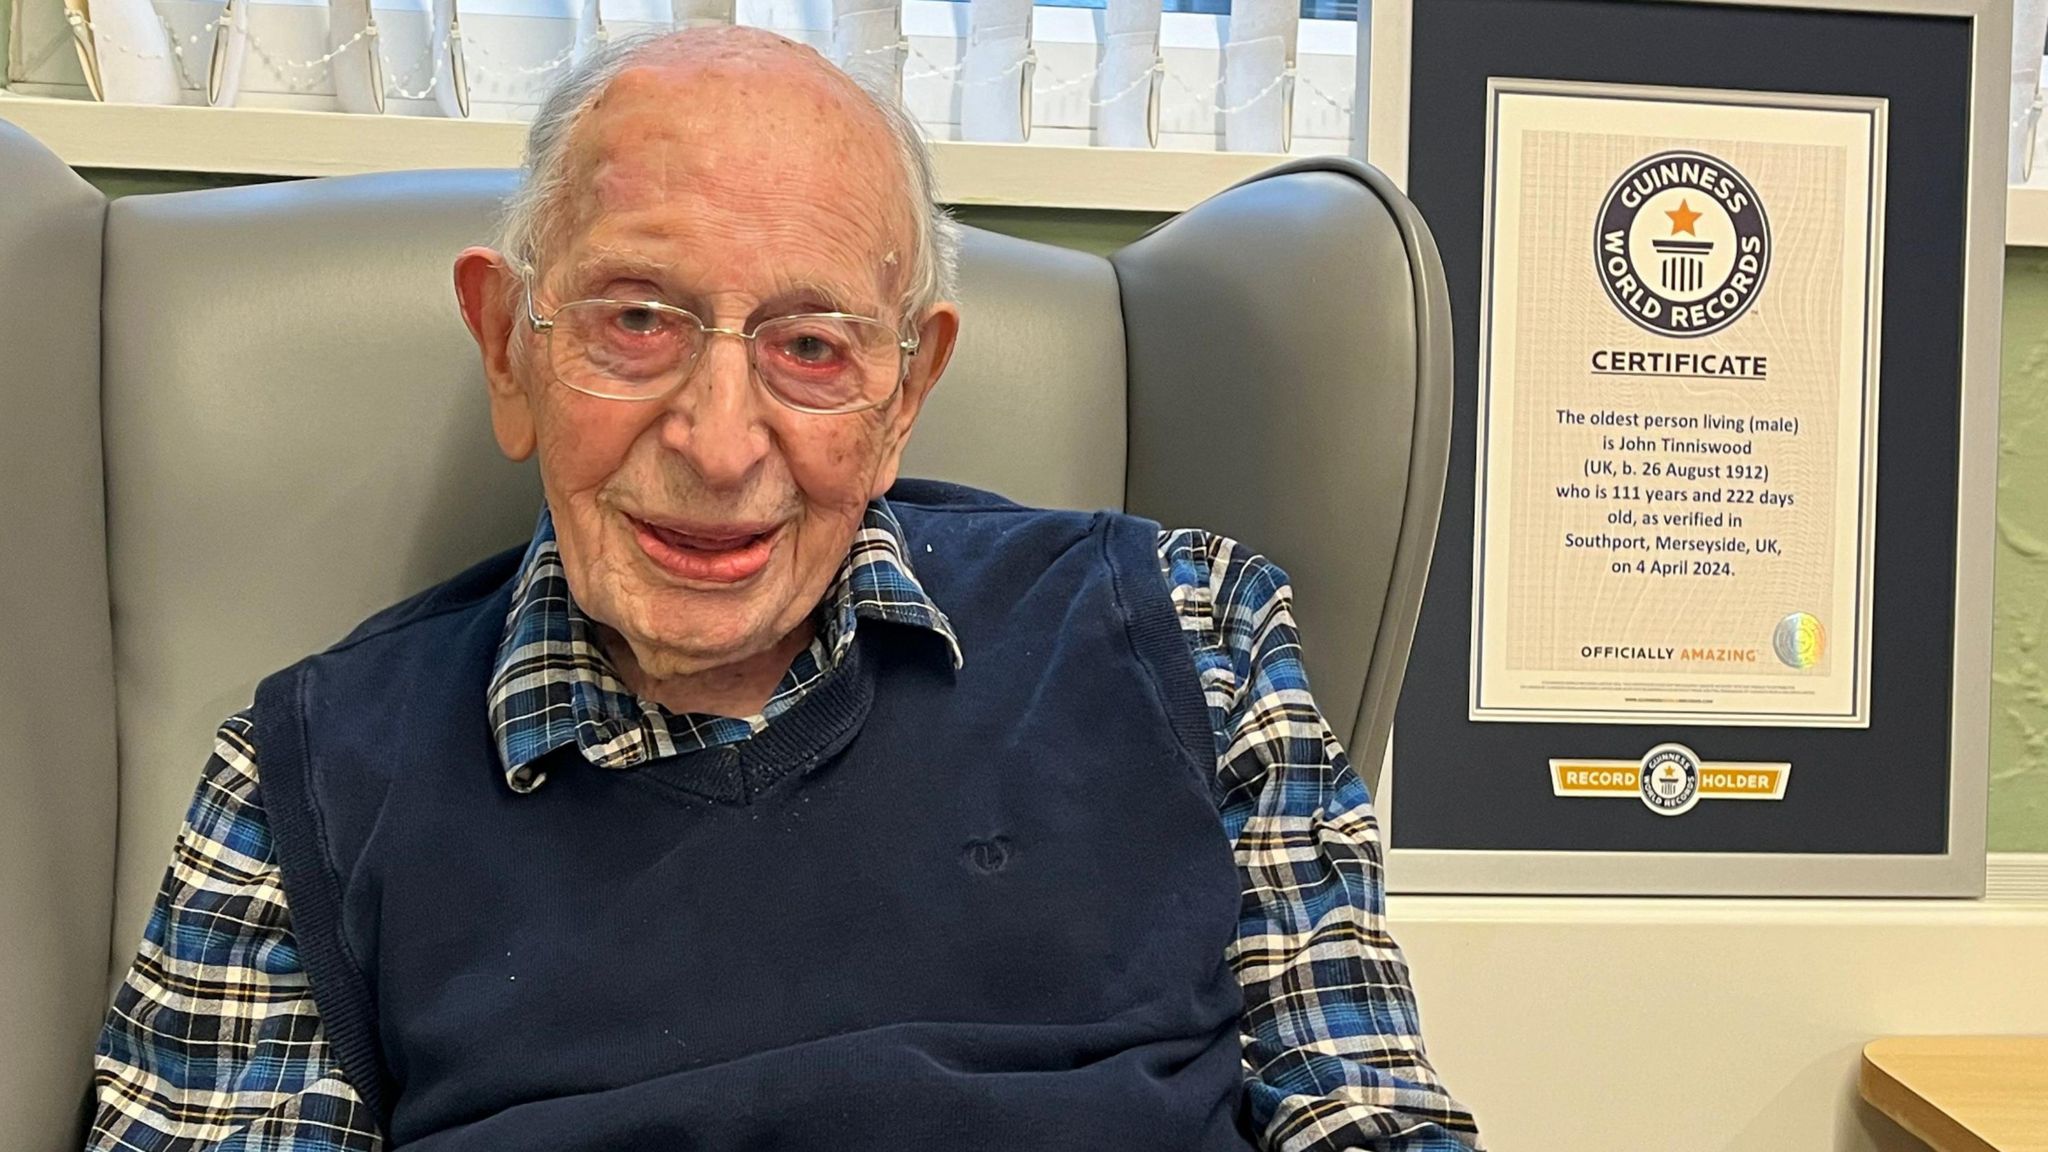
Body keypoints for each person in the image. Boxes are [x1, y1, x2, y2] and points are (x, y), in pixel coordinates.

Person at [86, 26, 1478, 1152]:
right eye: (636, 319)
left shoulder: (1188, 635)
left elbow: (1368, 1119)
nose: (719, 440)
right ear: (509, 347)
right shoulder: (304, 786)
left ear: (905, 393)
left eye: (813, 346)